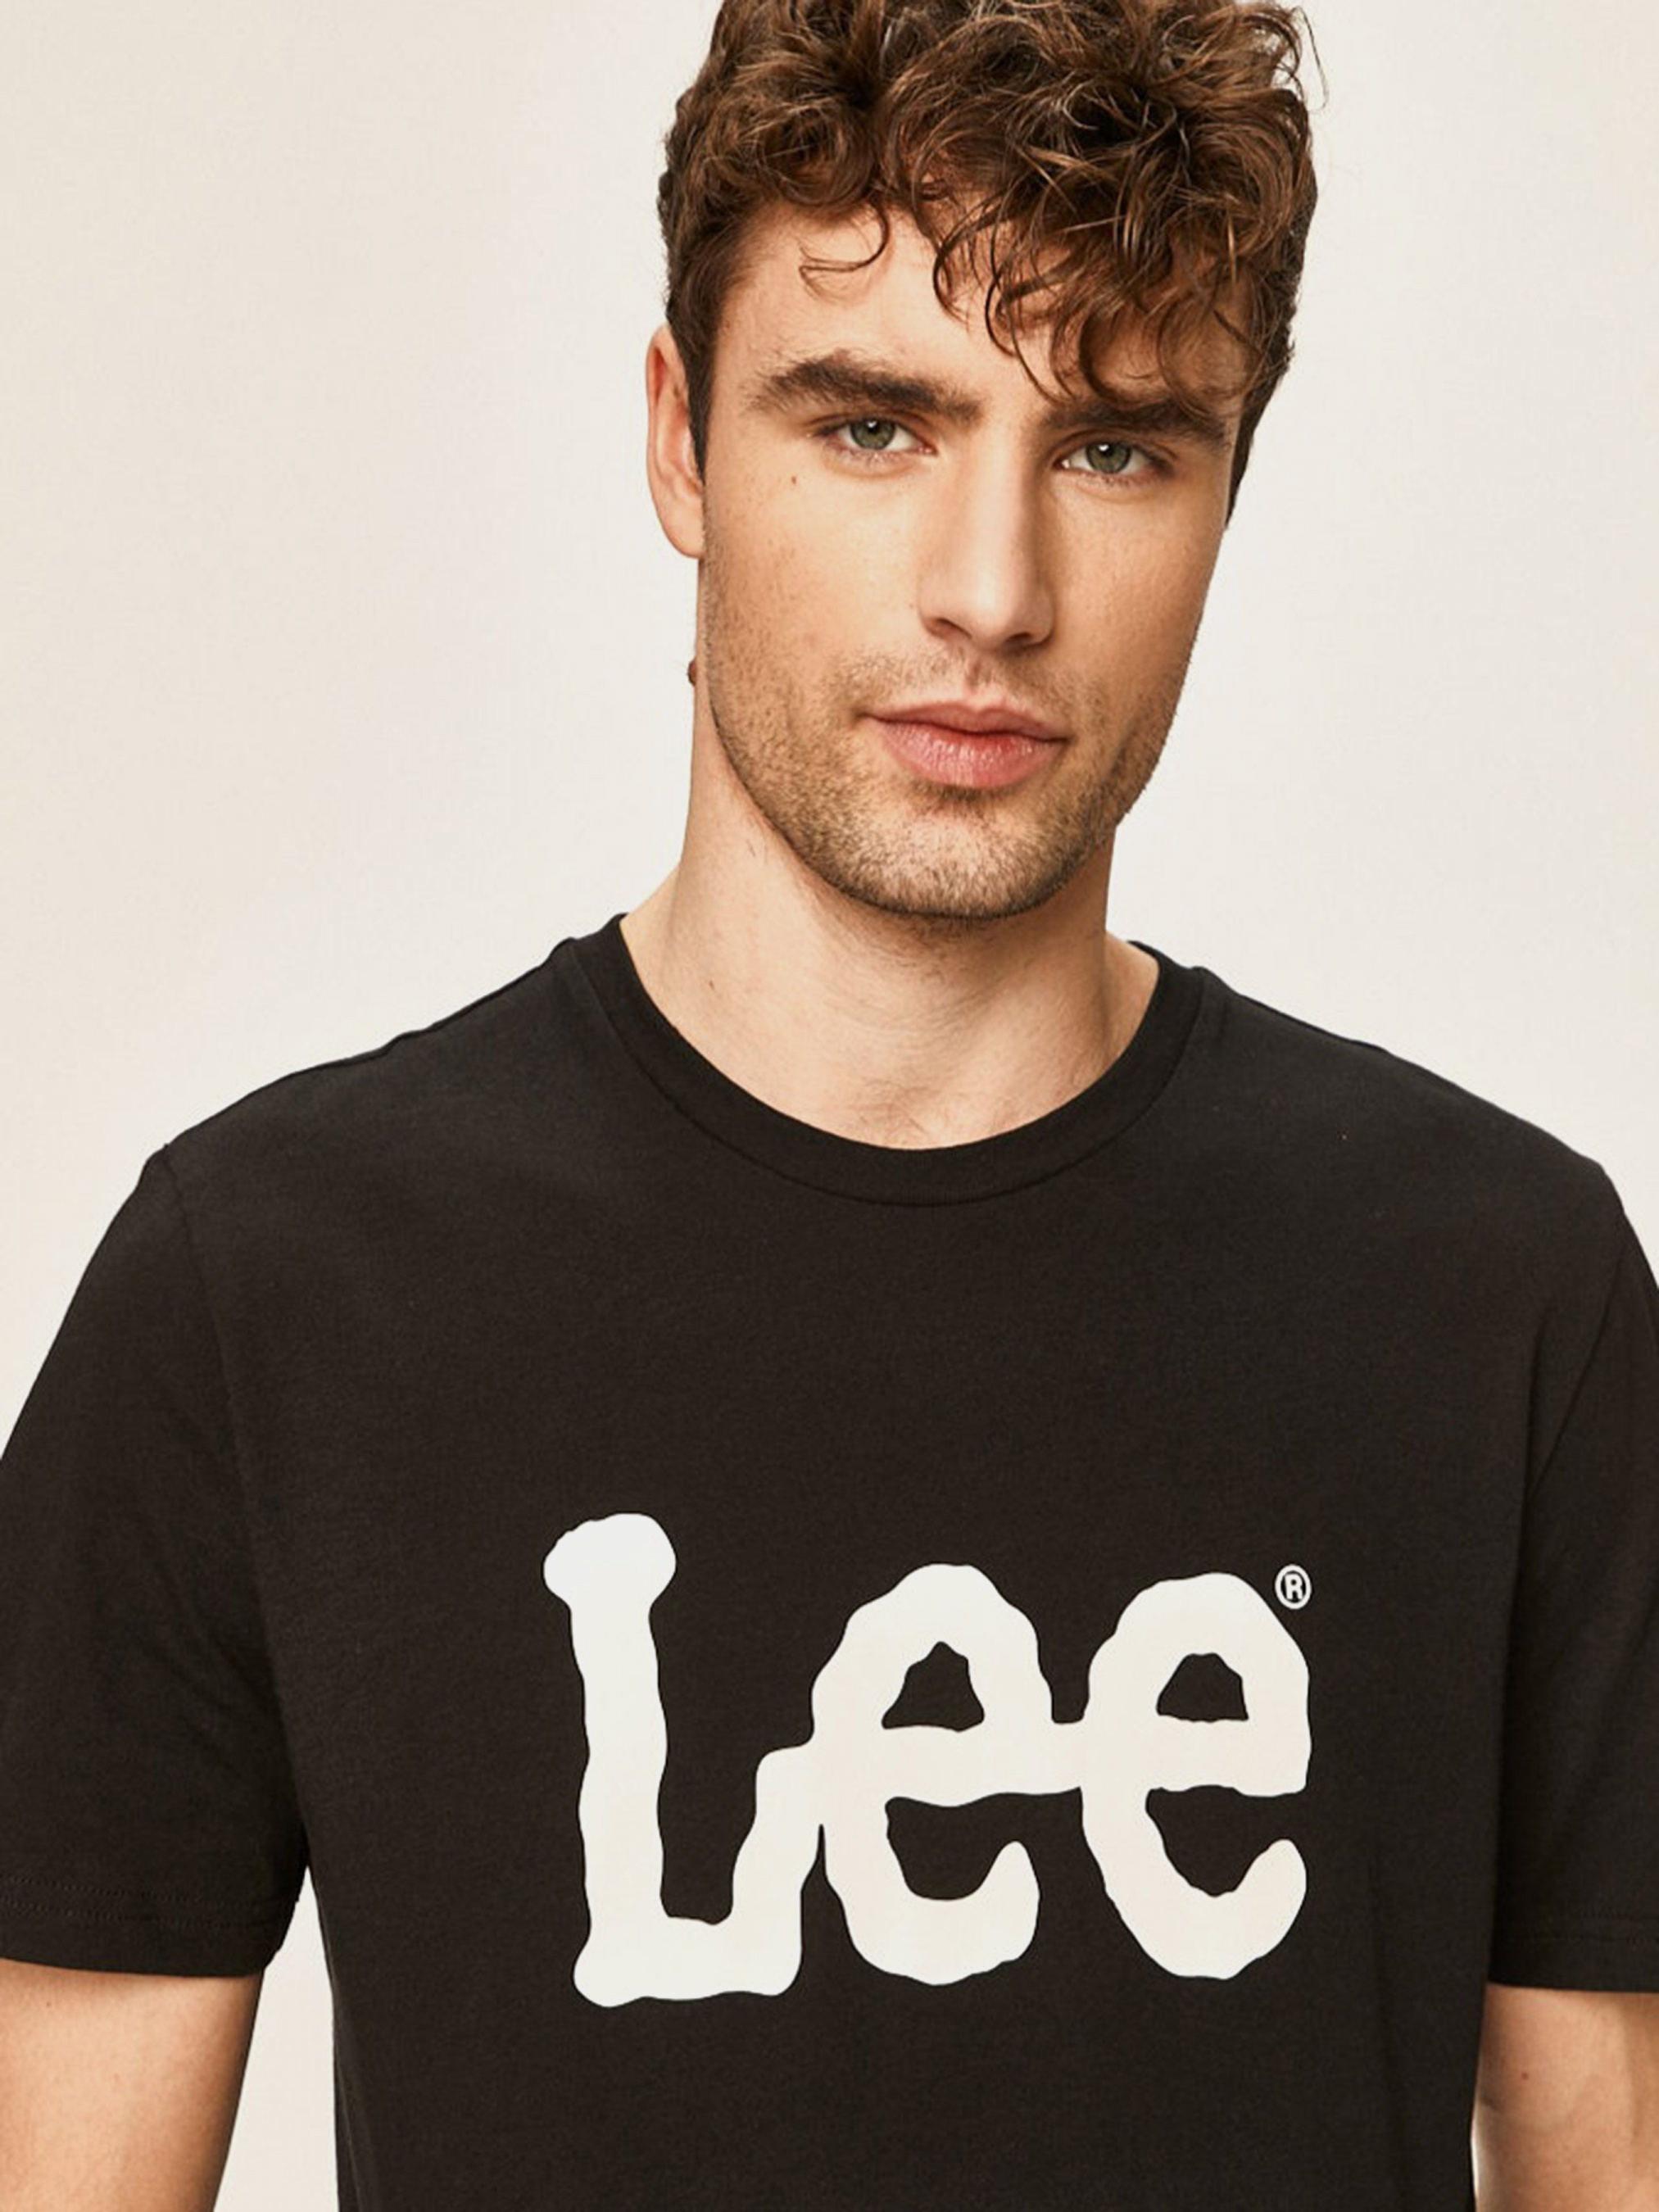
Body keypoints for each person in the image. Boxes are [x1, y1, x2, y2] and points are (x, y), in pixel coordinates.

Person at [2, 0, 1656, 2203]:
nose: (991, 592)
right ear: (680, 441)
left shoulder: (1502, 1298)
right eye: (874, 425)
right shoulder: (263, 1295)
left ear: (1228, 490)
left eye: (1114, 450)